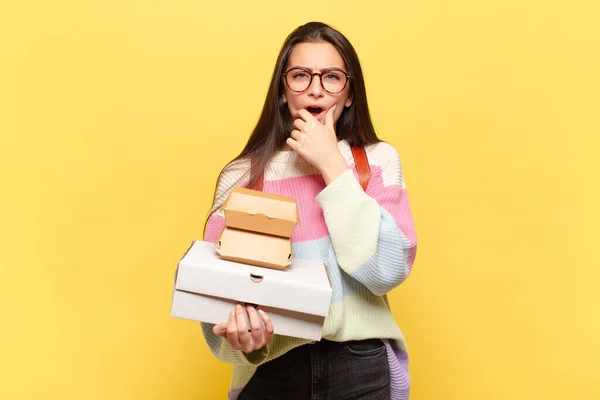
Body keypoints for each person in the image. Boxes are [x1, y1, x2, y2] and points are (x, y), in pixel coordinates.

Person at [201, 21, 417, 400]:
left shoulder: (379, 163)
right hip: (271, 371)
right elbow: (214, 300)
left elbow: (386, 271)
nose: (316, 88)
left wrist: (332, 164)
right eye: (301, 75)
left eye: (332, 77)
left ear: (349, 93)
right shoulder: (241, 177)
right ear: (283, 92)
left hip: (360, 369)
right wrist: (247, 341)